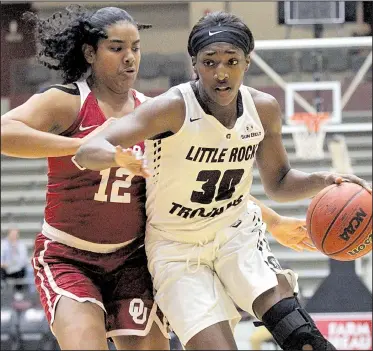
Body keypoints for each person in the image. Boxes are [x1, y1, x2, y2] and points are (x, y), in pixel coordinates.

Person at [75, 11, 372, 351]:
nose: (221, 72)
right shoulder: (171, 108)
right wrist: (116, 156)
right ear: (194, 64)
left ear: (248, 61)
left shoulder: (263, 108)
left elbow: (279, 181)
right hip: (177, 250)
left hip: (236, 236)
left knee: (304, 339)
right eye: (209, 61)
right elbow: (88, 149)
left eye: (232, 61)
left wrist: (324, 179)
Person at [1, 6, 167, 350]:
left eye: (135, 47)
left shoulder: (153, 112)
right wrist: (80, 144)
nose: (129, 58)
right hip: (69, 257)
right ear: (90, 52)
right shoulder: (67, 102)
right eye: (117, 47)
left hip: (133, 260)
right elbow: (4, 131)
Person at [1, 228, 29, 292]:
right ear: (8, 234)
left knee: (22, 270)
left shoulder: (22, 245)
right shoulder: (3, 244)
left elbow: (23, 259)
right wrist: (3, 264)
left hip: (17, 268)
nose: (14, 236)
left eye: (15, 234)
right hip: (6, 268)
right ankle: (2, 290)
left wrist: (17, 265)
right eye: (12, 234)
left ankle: (19, 291)